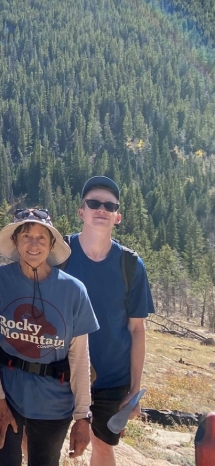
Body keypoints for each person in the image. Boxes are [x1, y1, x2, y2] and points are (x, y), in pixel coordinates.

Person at [0, 208, 98, 466]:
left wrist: (83, 416)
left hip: (54, 400)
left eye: (42, 237)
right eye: (26, 236)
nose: (33, 244)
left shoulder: (73, 291)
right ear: (16, 241)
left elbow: (80, 357)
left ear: (52, 244)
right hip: (7, 391)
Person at [60, 176, 154, 466]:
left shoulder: (130, 265)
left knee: (102, 447)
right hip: (60, 372)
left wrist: (134, 389)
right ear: (81, 211)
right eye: (94, 203)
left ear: (118, 216)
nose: (101, 209)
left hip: (110, 379)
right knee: (39, 443)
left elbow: (136, 329)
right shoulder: (60, 253)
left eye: (109, 205)